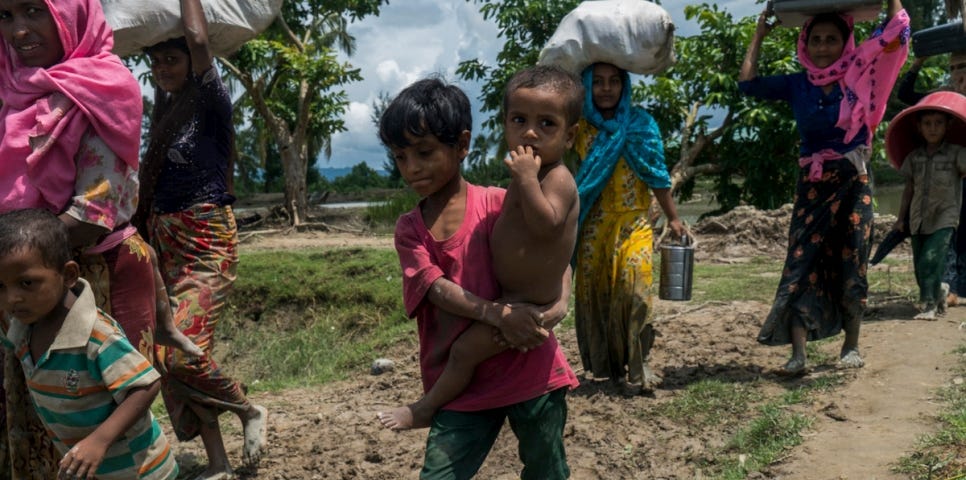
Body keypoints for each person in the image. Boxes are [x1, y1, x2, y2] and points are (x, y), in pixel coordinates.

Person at [0, 0, 199, 476]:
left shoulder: (106, 86)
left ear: (71, 14)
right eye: (5, 15)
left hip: (90, 271)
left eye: (33, 11)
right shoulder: (9, 88)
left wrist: (14, 253)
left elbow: (95, 211)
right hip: (17, 275)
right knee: (31, 415)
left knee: (99, 414)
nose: (18, 30)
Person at [378, 76, 579, 479]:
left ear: (463, 144)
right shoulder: (411, 229)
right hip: (463, 389)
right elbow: (435, 289)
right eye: (400, 157)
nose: (412, 167)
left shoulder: (500, 203)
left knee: (547, 470)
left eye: (424, 152)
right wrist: (500, 315)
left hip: (529, 368)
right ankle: (426, 408)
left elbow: (556, 254)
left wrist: (558, 305)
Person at [739, 0, 910, 374]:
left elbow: (897, 30)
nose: (822, 47)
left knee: (853, 261)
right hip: (812, 188)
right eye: (815, 39)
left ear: (846, 42)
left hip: (853, 181)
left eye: (831, 39)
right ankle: (798, 354)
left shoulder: (864, 71)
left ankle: (851, 346)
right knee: (802, 263)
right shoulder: (798, 84)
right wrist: (759, 34)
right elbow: (747, 86)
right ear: (804, 43)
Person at [135, 0, 267, 477]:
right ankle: (218, 463)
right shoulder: (166, 111)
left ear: (194, 63)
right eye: (156, 61)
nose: (162, 68)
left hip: (205, 241)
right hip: (165, 244)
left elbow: (197, 37)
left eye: (172, 59)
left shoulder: (211, 101)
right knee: (169, 359)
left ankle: (248, 409)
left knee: (178, 351)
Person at [0, 209, 178, 480]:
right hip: (97, 470)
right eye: (0, 287)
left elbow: (144, 385)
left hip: (139, 470)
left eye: (27, 283)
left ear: (69, 275)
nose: (13, 298)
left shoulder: (96, 335)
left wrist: (99, 441)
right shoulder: (23, 328)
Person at [571, 61, 684, 394]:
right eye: (598, 82)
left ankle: (639, 365)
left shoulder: (641, 124)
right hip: (593, 225)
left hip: (635, 221)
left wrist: (674, 217)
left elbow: (658, 176)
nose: (606, 88)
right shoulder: (579, 127)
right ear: (587, 87)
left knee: (635, 291)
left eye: (614, 81)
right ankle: (610, 369)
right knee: (600, 297)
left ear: (625, 86)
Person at [897, 52, 966, 308]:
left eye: (964, 66)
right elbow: (905, 95)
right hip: (943, 175)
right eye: (954, 67)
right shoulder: (944, 97)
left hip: (961, 165)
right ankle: (946, 289)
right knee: (947, 236)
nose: (959, 72)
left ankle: (958, 290)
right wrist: (917, 63)